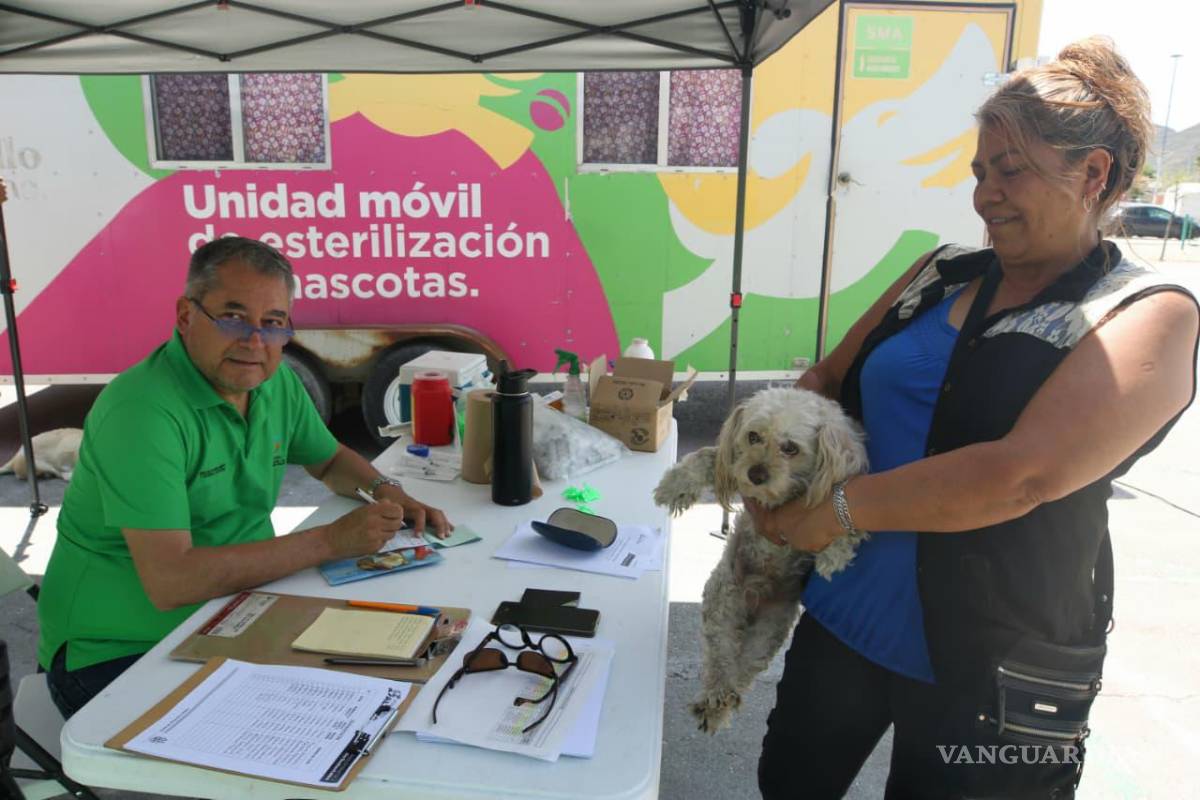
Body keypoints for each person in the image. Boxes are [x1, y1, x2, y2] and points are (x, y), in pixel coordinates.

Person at [749, 38, 1200, 799]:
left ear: (1092, 174)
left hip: (996, 668)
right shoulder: (938, 271)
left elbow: (1017, 477)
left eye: (1011, 170)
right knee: (788, 782)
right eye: (980, 173)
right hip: (845, 619)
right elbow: (827, 378)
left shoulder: (1144, 313)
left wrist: (833, 512)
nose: (985, 195)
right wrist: (771, 473)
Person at [36, 236, 452, 718]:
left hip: (234, 613)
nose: (255, 341)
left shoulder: (272, 383)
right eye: (233, 318)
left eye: (273, 323)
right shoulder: (142, 412)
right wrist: (331, 541)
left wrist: (388, 491)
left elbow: (330, 459)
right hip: (117, 651)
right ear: (186, 316)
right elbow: (171, 581)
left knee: (401, 679)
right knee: (310, 731)